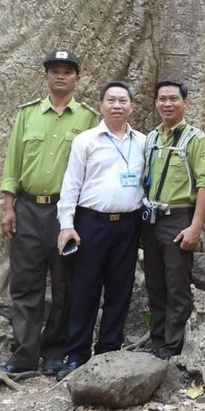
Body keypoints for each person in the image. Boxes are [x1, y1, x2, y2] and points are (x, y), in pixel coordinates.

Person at [0, 49, 99, 375]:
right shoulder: (27, 115)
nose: (60, 75)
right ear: (45, 76)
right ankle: (24, 355)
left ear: (77, 79)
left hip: (66, 213)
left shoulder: (87, 119)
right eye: (54, 70)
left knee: (64, 283)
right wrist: (8, 207)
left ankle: (55, 350)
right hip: (27, 209)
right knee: (26, 284)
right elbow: (12, 164)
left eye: (67, 71)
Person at [55, 81, 145, 380]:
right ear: (101, 105)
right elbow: (71, 185)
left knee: (120, 288)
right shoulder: (86, 140)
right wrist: (66, 225)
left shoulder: (143, 142)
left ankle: (109, 349)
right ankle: (77, 352)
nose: (117, 106)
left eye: (123, 101)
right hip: (90, 223)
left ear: (132, 106)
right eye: (111, 100)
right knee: (85, 287)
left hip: (129, 224)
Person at [141, 78, 205, 358]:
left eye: (174, 99)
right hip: (151, 219)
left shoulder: (196, 140)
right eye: (162, 99)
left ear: (186, 103)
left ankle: (175, 346)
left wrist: (196, 226)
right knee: (155, 283)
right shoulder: (151, 139)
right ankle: (158, 340)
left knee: (177, 284)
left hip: (179, 218)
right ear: (156, 103)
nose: (167, 104)